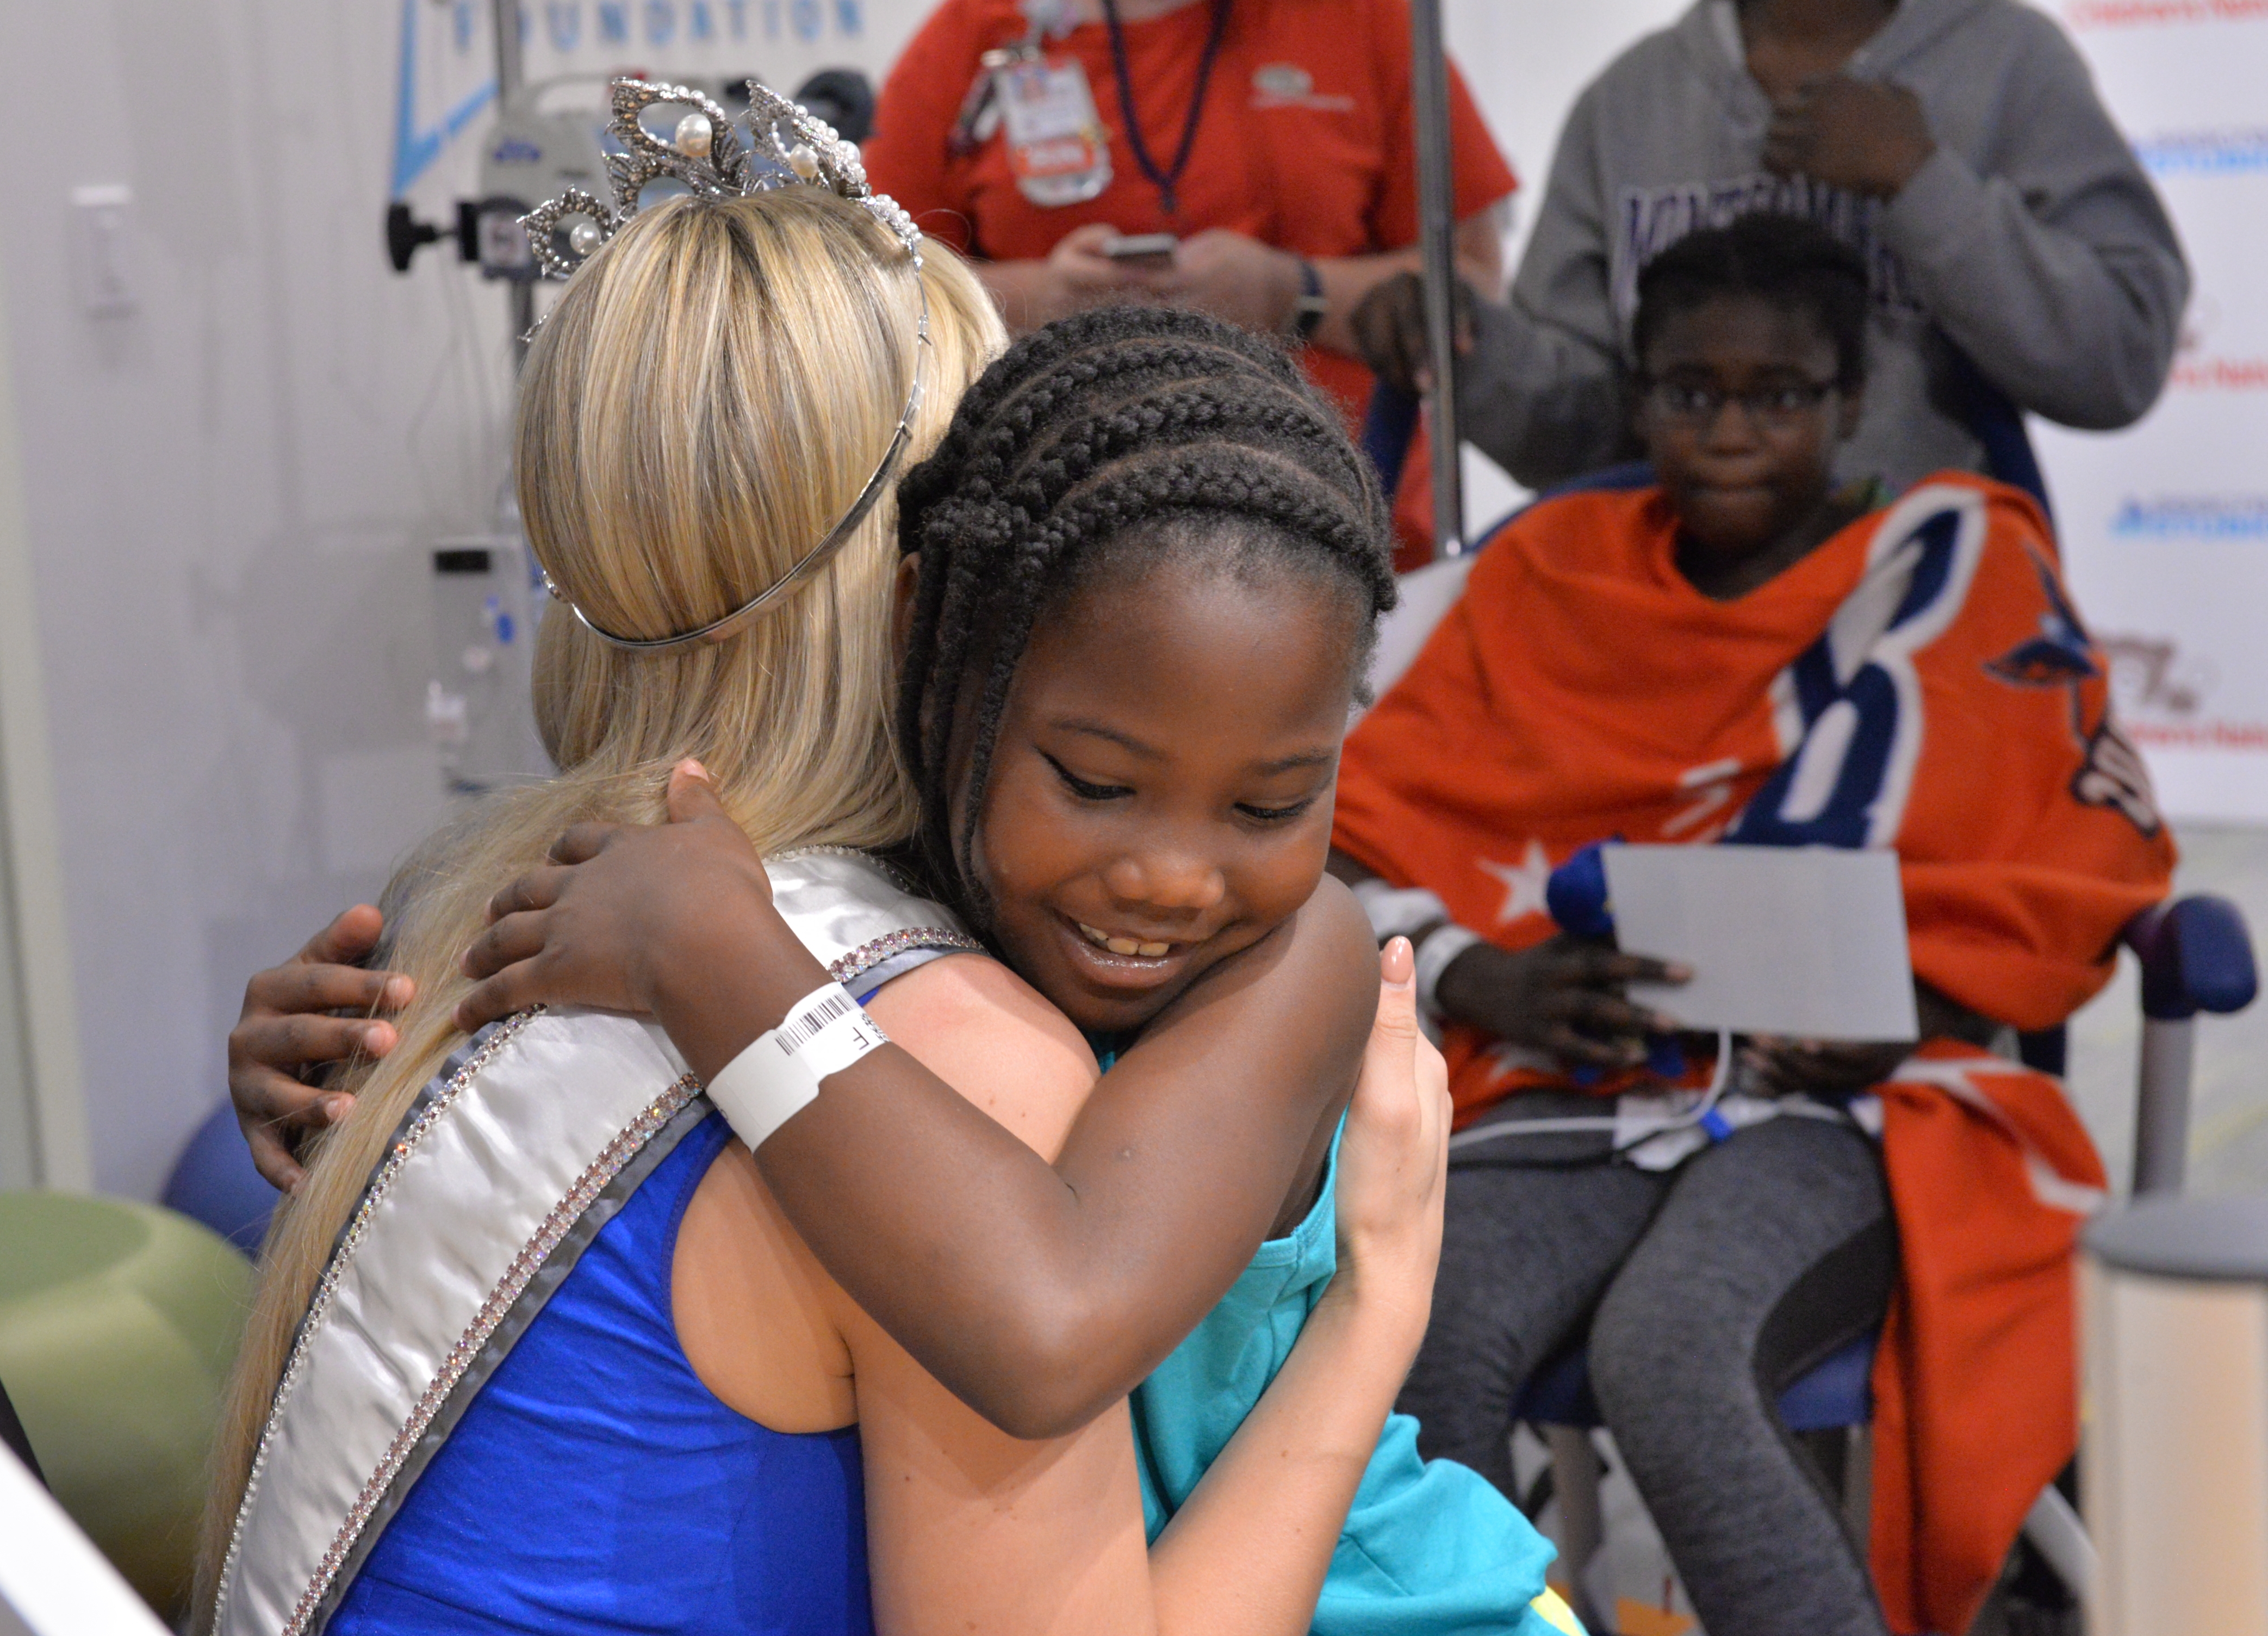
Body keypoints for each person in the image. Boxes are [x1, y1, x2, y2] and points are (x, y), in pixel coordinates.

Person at [208, 86, 1575, 1632]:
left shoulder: (529, 915)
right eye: (1097, 773)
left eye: (1266, 803)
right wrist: (1372, 1309)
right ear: (938, 608)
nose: (1172, 874)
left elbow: (1048, 1318)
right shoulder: (864, 996)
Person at [1329, 213, 2174, 1636]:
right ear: (1639, 392)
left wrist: (1915, 1002)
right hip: (1582, 1077)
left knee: (1672, 1355)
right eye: (1688, 391)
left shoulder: (1956, 568)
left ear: (1848, 404)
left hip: (1860, 1099)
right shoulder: (1551, 574)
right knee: (1416, 1329)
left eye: (1776, 395)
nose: (1728, 429)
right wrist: (1482, 975)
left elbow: (2055, 854)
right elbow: (1357, 815)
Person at [1353, 0, 2187, 522]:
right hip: (1678, 637)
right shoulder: (1631, 98)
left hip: (1926, 622)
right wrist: (1466, 348)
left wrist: (1922, 183)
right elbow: (1588, 435)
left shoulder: (2010, 63)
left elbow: (2118, 360)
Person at [864, 0, 1515, 565]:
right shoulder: (975, 36)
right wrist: (1044, 302)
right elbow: (872, 293)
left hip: (1351, 527)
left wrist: (1291, 293)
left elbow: (1475, 284)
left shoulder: (1362, 20)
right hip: (1051, 542)